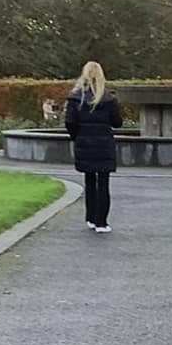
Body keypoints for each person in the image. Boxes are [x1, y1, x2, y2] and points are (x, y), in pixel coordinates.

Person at [64, 61, 123, 232]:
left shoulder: (75, 98)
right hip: (104, 143)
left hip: (84, 142)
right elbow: (117, 122)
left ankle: (90, 217)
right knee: (103, 182)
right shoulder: (108, 99)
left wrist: (77, 137)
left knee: (89, 180)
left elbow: (70, 122)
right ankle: (101, 222)